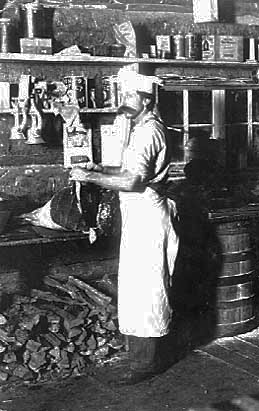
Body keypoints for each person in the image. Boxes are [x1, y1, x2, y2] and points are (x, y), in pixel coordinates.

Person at [70, 72, 179, 384]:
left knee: (147, 291)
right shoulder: (141, 127)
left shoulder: (150, 131)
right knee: (135, 288)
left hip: (147, 212)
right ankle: (139, 358)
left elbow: (133, 182)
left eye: (130, 96)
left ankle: (145, 364)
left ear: (146, 100)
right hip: (137, 214)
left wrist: (89, 179)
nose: (124, 101)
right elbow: (129, 171)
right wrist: (102, 169)